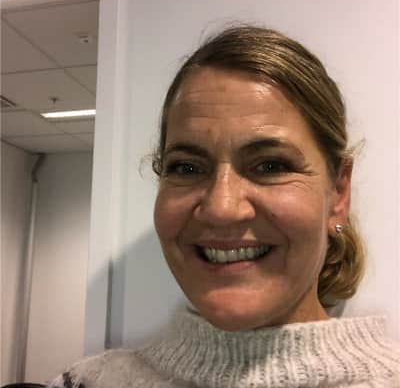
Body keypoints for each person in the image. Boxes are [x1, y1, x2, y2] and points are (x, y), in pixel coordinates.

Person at [48, 26, 400, 388]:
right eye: (187, 168)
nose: (221, 208)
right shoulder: (87, 383)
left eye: (271, 165)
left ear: (338, 193)